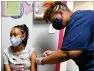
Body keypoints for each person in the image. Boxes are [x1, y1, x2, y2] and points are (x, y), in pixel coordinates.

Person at [36, 1, 94, 71]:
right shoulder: (73, 24)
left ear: (60, 13)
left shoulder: (80, 18)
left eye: (54, 20)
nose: (54, 24)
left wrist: (40, 60)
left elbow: (69, 53)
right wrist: (55, 53)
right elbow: (74, 47)